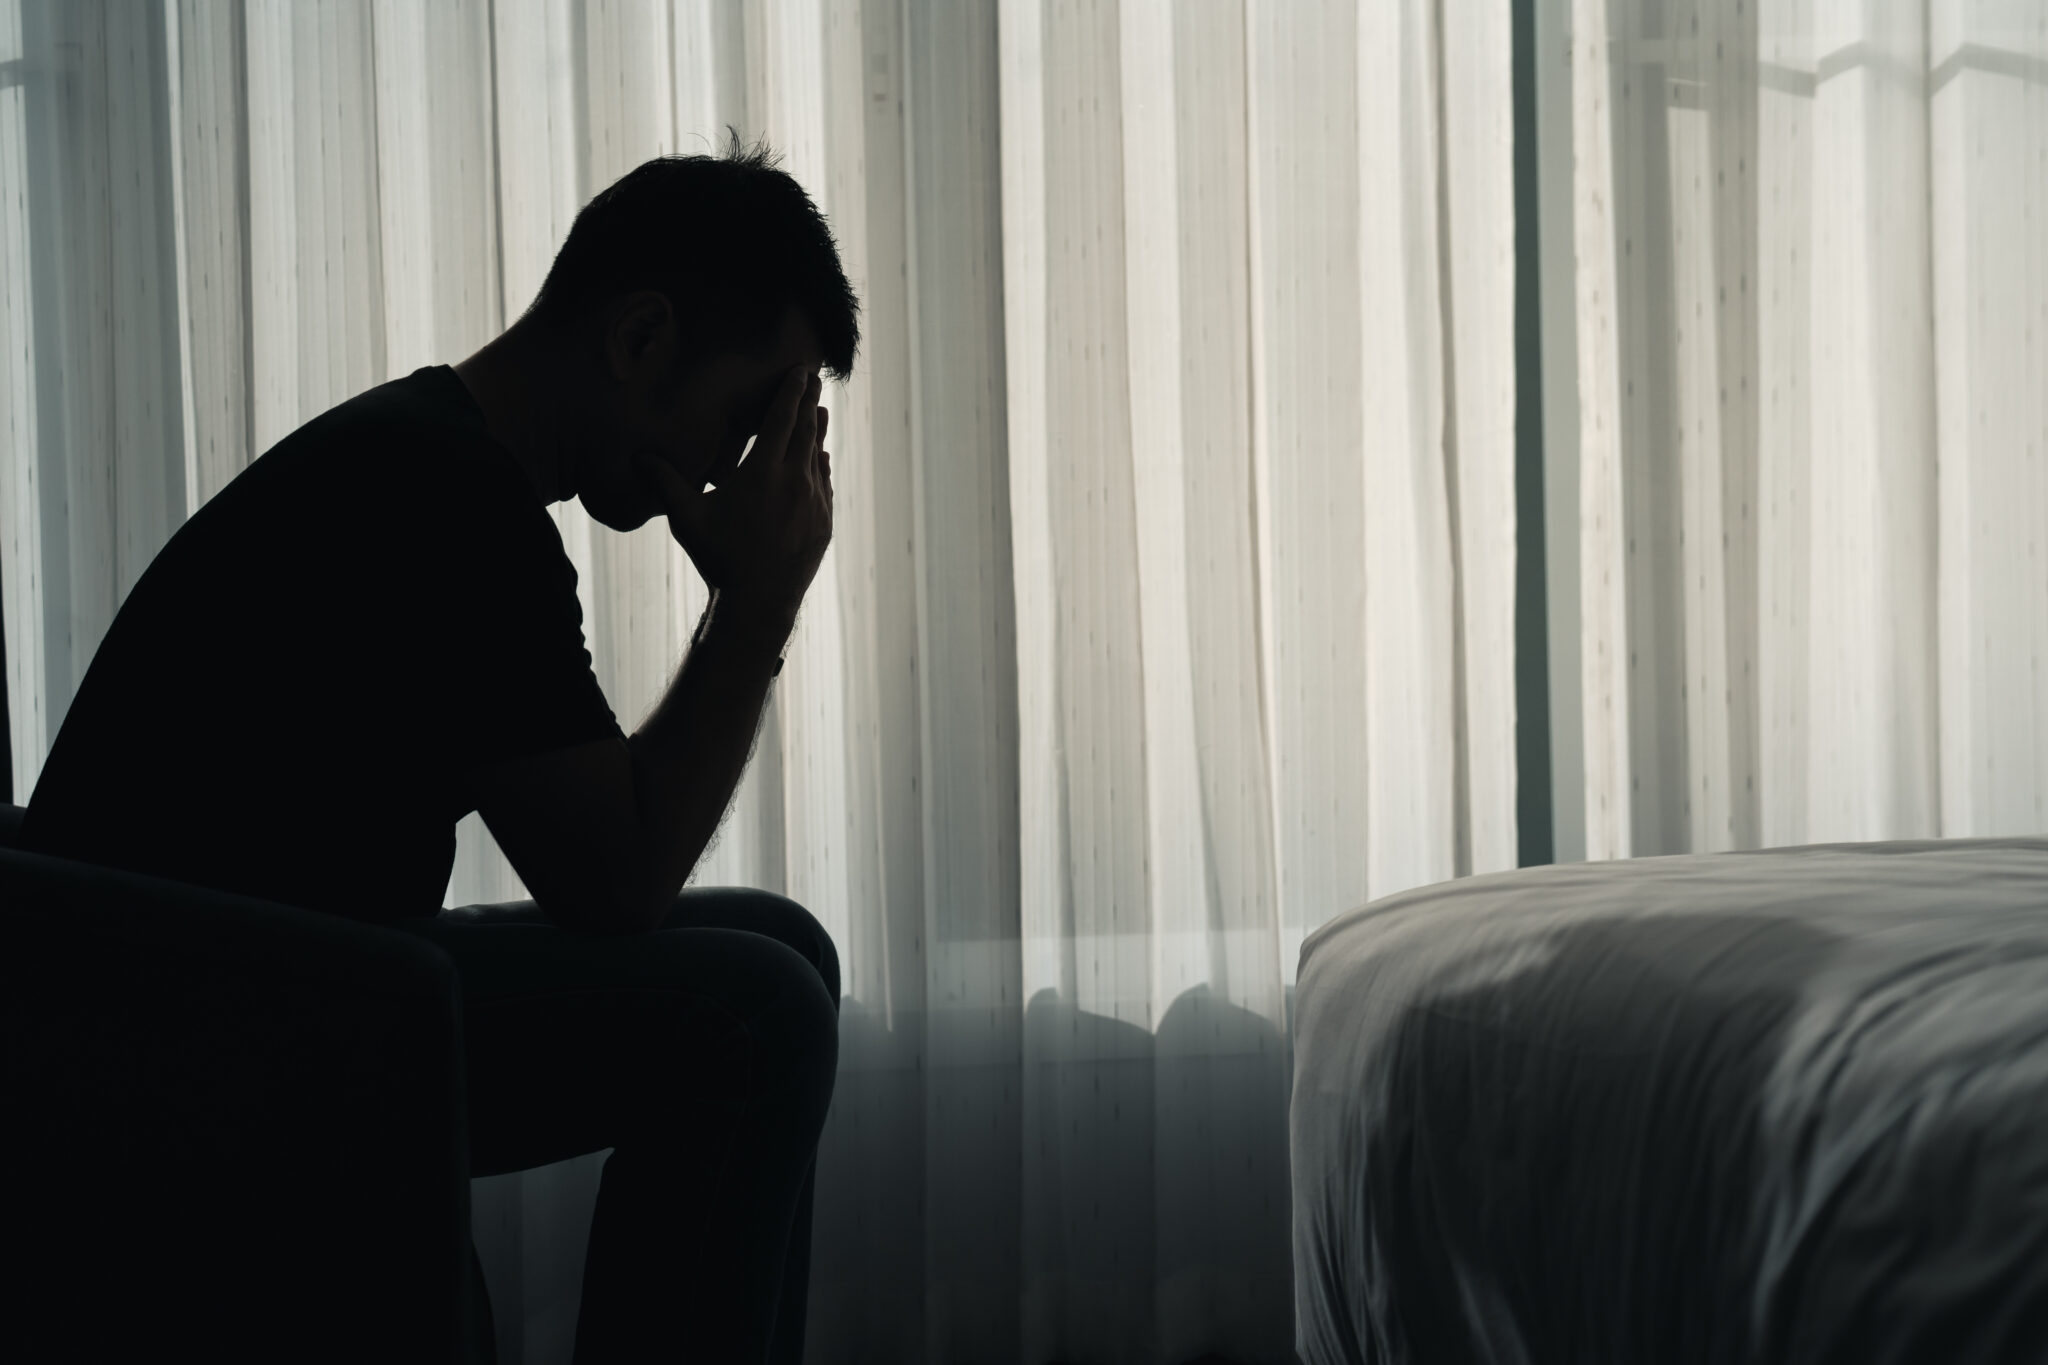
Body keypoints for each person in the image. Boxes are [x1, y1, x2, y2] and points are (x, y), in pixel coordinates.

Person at [19, 137, 856, 1364]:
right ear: (638, 341)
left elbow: (604, 850)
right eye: (743, 417)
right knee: (757, 1015)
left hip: (283, 976)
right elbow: (615, 882)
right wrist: (759, 604)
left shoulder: (440, 460)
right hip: (195, 1034)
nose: (737, 471)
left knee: (789, 949)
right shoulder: (450, 504)